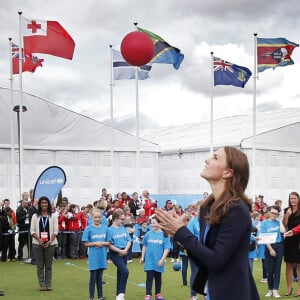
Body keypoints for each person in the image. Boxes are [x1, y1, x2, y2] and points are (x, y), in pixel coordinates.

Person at [156, 146, 260, 300]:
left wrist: (182, 233)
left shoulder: (236, 209)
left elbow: (217, 260)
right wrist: (178, 234)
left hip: (233, 293)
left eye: (216, 157)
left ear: (228, 172)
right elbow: (205, 258)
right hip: (214, 290)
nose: (207, 160)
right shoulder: (207, 207)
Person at [30, 196, 58, 291]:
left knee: (48, 266)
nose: (44, 204)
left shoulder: (53, 216)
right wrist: (39, 240)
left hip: (51, 244)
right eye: (42, 203)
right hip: (37, 244)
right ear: (39, 204)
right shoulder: (35, 216)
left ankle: (48, 284)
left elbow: (56, 231)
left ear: (48, 204)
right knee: (40, 266)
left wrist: (50, 241)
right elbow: (32, 230)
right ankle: (42, 285)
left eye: (46, 203)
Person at [140, 216, 171, 300]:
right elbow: (144, 246)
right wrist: (142, 257)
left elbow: (167, 249)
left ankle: (158, 294)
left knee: (158, 278)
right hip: (149, 261)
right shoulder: (148, 234)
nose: (152, 225)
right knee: (149, 277)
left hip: (159, 261)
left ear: (160, 223)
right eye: (151, 223)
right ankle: (148, 294)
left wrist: (162, 259)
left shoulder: (165, 235)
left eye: (154, 223)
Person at [82, 208, 109, 300]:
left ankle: (100, 296)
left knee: (100, 278)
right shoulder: (88, 229)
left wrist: (102, 243)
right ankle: (91, 297)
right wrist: (95, 244)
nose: (97, 219)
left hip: (102, 256)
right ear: (91, 218)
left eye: (99, 217)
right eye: (95, 217)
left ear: (101, 218)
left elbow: (109, 242)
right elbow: (85, 243)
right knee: (93, 278)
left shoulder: (105, 228)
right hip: (93, 256)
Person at [259, 206, 285, 298]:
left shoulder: (278, 222)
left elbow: (283, 231)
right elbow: (263, 237)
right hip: (269, 246)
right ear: (269, 212)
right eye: (273, 213)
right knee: (270, 270)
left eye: (276, 213)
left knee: (277, 270)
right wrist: (270, 249)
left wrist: (280, 220)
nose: (274, 215)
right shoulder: (264, 223)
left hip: (279, 246)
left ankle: (275, 290)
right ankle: (270, 290)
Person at [107, 210, 131, 300]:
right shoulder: (109, 230)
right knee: (125, 272)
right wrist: (120, 251)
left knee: (120, 273)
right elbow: (109, 244)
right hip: (116, 253)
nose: (123, 221)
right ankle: (121, 293)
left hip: (124, 252)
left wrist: (125, 250)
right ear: (116, 219)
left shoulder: (123, 228)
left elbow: (129, 240)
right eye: (122, 219)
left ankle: (118, 295)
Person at [282, 191, 300, 296]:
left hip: (298, 240)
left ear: (298, 199)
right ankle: (289, 288)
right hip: (289, 239)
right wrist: (287, 215)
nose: (293, 200)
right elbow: (284, 224)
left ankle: (299, 289)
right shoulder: (286, 210)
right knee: (288, 264)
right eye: (291, 198)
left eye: (294, 198)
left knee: (299, 265)